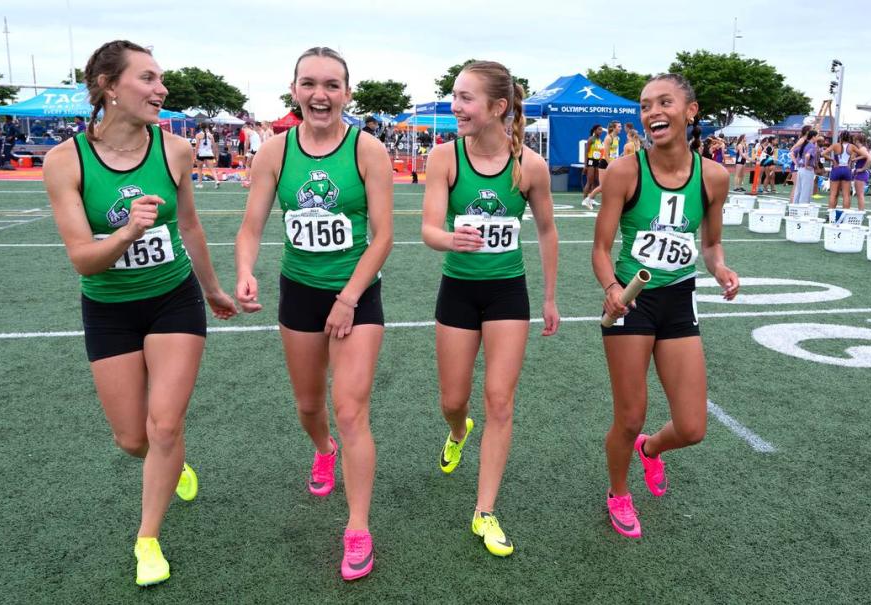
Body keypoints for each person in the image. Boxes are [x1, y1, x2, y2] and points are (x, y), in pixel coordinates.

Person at [41, 40, 238, 587]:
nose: (162, 89)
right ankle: (170, 459)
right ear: (109, 87)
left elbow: (191, 226)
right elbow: (84, 259)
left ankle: (147, 538)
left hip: (173, 299)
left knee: (166, 422)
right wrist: (128, 228)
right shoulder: (65, 162)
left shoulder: (175, 150)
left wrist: (214, 288)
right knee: (134, 439)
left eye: (161, 79)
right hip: (108, 310)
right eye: (148, 79)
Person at [234, 46, 393, 581]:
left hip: (357, 296)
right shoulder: (274, 152)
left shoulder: (367, 150)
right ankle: (321, 449)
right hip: (298, 293)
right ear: (294, 89)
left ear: (347, 93)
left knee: (351, 410)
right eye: (309, 84)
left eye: (331, 84)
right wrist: (246, 269)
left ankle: (357, 527)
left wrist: (349, 296)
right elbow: (252, 225)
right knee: (309, 406)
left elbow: (384, 235)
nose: (320, 94)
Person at [421, 60, 559, 557]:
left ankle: (485, 510)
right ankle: (458, 430)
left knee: (500, 399)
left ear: (498, 108)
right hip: (457, 292)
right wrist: (449, 239)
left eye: (465, 98)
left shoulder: (530, 167)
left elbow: (546, 229)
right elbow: (429, 229)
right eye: (454, 96)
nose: (455, 106)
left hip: (507, 294)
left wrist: (547, 296)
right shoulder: (445, 158)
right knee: (453, 399)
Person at [592, 73, 739, 539]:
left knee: (693, 427)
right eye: (645, 105)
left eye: (664, 102)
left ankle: (650, 450)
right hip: (631, 304)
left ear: (690, 111)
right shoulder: (624, 172)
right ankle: (618, 492)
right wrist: (612, 287)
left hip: (679, 301)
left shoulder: (714, 176)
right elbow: (600, 249)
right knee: (630, 412)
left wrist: (721, 270)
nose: (653, 112)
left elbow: (711, 245)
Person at [584, 120, 621, 208]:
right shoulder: (608, 138)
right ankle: (588, 199)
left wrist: (617, 161)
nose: (621, 128)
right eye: (619, 126)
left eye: (620, 126)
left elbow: (614, 153)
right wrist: (611, 165)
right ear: (614, 128)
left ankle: (609, 202)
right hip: (604, 163)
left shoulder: (617, 138)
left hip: (611, 162)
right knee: (602, 185)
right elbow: (606, 154)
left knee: (611, 184)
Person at [824, 131, 861, 213]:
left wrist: (833, 160)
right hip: (847, 170)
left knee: (833, 194)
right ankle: (845, 215)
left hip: (836, 169)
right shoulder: (852, 146)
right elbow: (864, 155)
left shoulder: (835, 145)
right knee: (846, 195)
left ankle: (830, 214)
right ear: (849, 138)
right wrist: (853, 160)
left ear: (840, 137)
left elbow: (823, 153)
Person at [792, 130, 819, 205]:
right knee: (806, 190)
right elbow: (807, 155)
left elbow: (792, 153)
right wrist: (806, 165)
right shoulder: (812, 146)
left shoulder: (803, 144)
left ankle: (795, 207)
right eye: (817, 136)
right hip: (807, 170)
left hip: (800, 169)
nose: (818, 137)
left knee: (799, 190)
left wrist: (797, 163)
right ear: (813, 137)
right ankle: (802, 209)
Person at [582, 124, 604, 208]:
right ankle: (584, 199)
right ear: (595, 130)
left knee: (596, 181)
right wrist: (585, 165)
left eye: (601, 130)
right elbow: (586, 152)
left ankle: (591, 199)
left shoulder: (600, 140)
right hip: (591, 161)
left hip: (597, 162)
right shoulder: (591, 139)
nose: (600, 131)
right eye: (599, 129)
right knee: (589, 181)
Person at [194, 122, 220, 189]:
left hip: (201, 154)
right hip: (209, 153)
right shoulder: (211, 135)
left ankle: (200, 184)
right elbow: (214, 146)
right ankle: (217, 181)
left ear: (200, 127)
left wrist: (195, 155)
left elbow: (197, 146)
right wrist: (215, 155)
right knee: (212, 169)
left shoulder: (198, 135)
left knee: (199, 169)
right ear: (207, 127)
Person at [851, 133, 871, 211]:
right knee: (859, 194)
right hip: (861, 173)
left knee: (860, 195)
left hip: (861, 173)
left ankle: (861, 212)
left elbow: (870, 159)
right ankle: (860, 210)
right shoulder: (863, 149)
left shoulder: (862, 149)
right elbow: (865, 156)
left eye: (854, 140)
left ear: (857, 140)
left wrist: (862, 169)